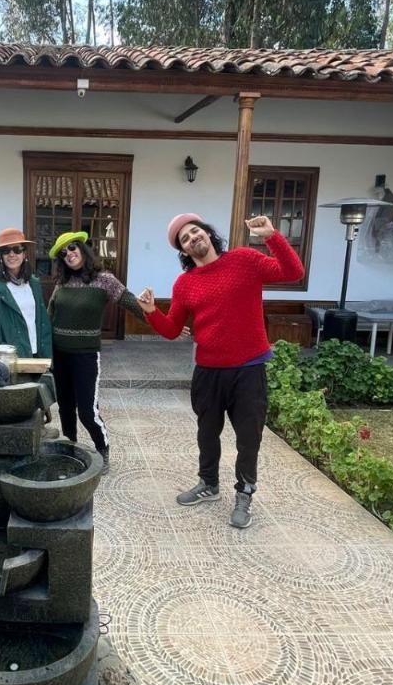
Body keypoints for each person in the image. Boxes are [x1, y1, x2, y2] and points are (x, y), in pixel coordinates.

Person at [137, 213, 304, 528]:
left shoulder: (244, 260)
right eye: (185, 239)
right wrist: (151, 312)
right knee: (207, 433)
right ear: (184, 251)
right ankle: (209, 484)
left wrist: (272, 236)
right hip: (208, 371)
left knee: (248, 439)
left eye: (195, 231)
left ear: (208, 233)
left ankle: (244, 494)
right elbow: (173, 329)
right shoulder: (185, 284)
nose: (192, 238)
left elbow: (293, 271)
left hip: (249, 369)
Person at [47, 231, 146, 473]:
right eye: (63, 252)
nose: (68, 254)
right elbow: (50, 316)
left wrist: (164, 323)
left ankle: (103, 449)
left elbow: (131, 302)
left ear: (82, 248)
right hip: (59, 355)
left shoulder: (104, 280)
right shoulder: (62, 283)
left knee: (88, 412)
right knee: (66, 408)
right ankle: (70, 448)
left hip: (85, 356)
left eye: (72, 248)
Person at [0, 227, 53, 358]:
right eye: (6, 251)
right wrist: (2, 351)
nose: (12, 254)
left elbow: (41, 320)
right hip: (9, 359)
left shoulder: (33, 283)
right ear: (0, 256)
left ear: (24, 254)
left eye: (17, 250)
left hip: (37, 355)